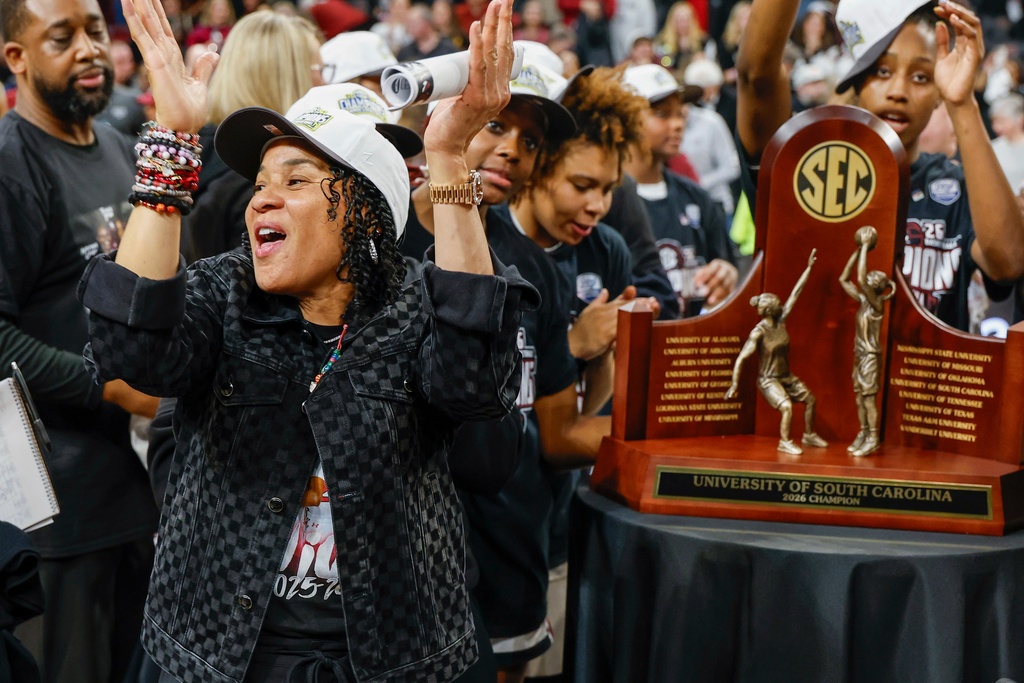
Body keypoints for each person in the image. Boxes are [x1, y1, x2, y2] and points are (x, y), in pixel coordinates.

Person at [79, 0, 537, 681]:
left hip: (389, 657)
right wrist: (173, 139)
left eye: (296, 181)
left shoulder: (416, 303)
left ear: (366, 215)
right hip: (220, 651)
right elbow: (131, 350)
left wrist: (445, 155)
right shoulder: (224, 290)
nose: (263, 198)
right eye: (261, 183)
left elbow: (474, 380)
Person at [0, 0, 161, 679]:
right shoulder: (11, 161)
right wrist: (107, 385)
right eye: (61, 37)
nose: (89, 49)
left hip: (125, 486)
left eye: (95, 30)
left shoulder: (119, 148)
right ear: (17, 58)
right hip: (51, 511)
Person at [736, 0, 1024, 332]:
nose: (898, 91)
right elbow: (756, 74)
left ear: (938, 93)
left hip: (924, 381)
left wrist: (962, 103)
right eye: (882, 71)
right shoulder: (810, 167)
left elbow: (1009, 264)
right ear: (856, 82)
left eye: (921, 76)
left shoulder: (955, 188)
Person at [622, 63, 738, 316]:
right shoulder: (605, 202)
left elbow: (726, 264)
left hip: (688, 346)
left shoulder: (696, 196)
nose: (677, 124)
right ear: (626, 121)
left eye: (681, 114)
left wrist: (726, 274)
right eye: (663, 115)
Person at [725, 250, 828, 455]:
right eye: (778, 304)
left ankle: (808, 434)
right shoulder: (759, 332)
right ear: (770, 309)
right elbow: (742, 358)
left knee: (810, 400)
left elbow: (795, 294)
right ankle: (785, 441)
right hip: (768, 380)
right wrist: (734, 384)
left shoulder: (781, 322)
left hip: (785, 376)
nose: (782, 305)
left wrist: (808, 268)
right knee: (787, 407)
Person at [839, 226, 895, 457]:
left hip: (870, 356)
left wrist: (864, 247)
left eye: (876, 276)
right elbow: (844, 279)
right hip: (859, 355)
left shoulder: (877, 304)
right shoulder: (864, 301)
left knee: (869, 400)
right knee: (859, 399)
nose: (871, 275)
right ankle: (863, 433)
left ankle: (873, 437)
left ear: (879, 287)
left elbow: (860, 278)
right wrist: (856, 251)